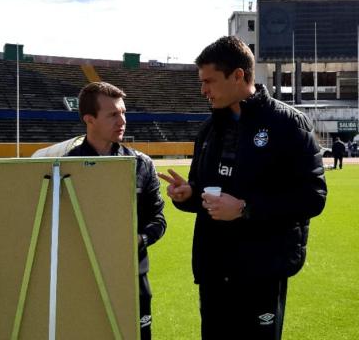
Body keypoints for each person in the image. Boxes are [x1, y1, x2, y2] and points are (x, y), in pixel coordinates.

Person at [159, 36, 327, 340]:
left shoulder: (288, 124)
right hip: (214, 268)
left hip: (262, 269)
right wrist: (189, 195)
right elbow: (206, 192)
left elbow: (312, 198)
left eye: (209, 81)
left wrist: (245, 209)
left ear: (238, 76)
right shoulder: (208, 130)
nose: (203, 90)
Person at [66, 81, 166, 339]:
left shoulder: (141, 164)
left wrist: (140, 239)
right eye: (113, 114)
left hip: (133, 277)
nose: (122, 120)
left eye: (123, 112)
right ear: (90, 119)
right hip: (81, 278)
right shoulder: (65, 168)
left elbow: (158, 218)